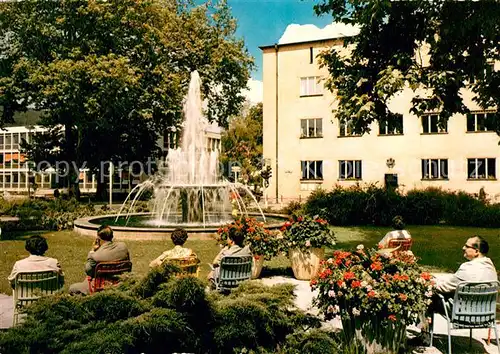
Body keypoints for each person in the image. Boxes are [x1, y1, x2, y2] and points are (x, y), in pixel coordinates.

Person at [413, 235, 498, 346]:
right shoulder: (491, 268)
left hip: (462, 314)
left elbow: (442, 288)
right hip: (485, 316)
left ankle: (424, 335)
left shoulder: (467, 268)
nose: (463, 248)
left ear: (476, 251)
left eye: (467, 246)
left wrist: (429, 282)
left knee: (426, 295)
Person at [69, 225, 130, 295]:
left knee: (72, 288)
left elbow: (88, 271)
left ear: (98, 238)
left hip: (100, 287)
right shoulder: (123, 247)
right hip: (118, 284)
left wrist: (92, 250)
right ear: (112, 236)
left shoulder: (95, 256)